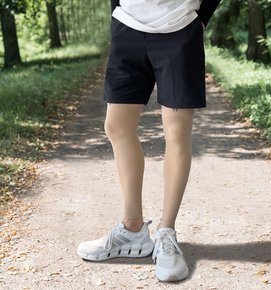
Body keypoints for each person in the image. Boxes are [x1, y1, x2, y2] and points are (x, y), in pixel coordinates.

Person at [77, 0, 221, 282]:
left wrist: (200, 18)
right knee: (117, 126)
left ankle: (167, 234)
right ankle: (132, 229)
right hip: (128, 26)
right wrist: (118, 12)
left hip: (179, 27)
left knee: (177, 133)